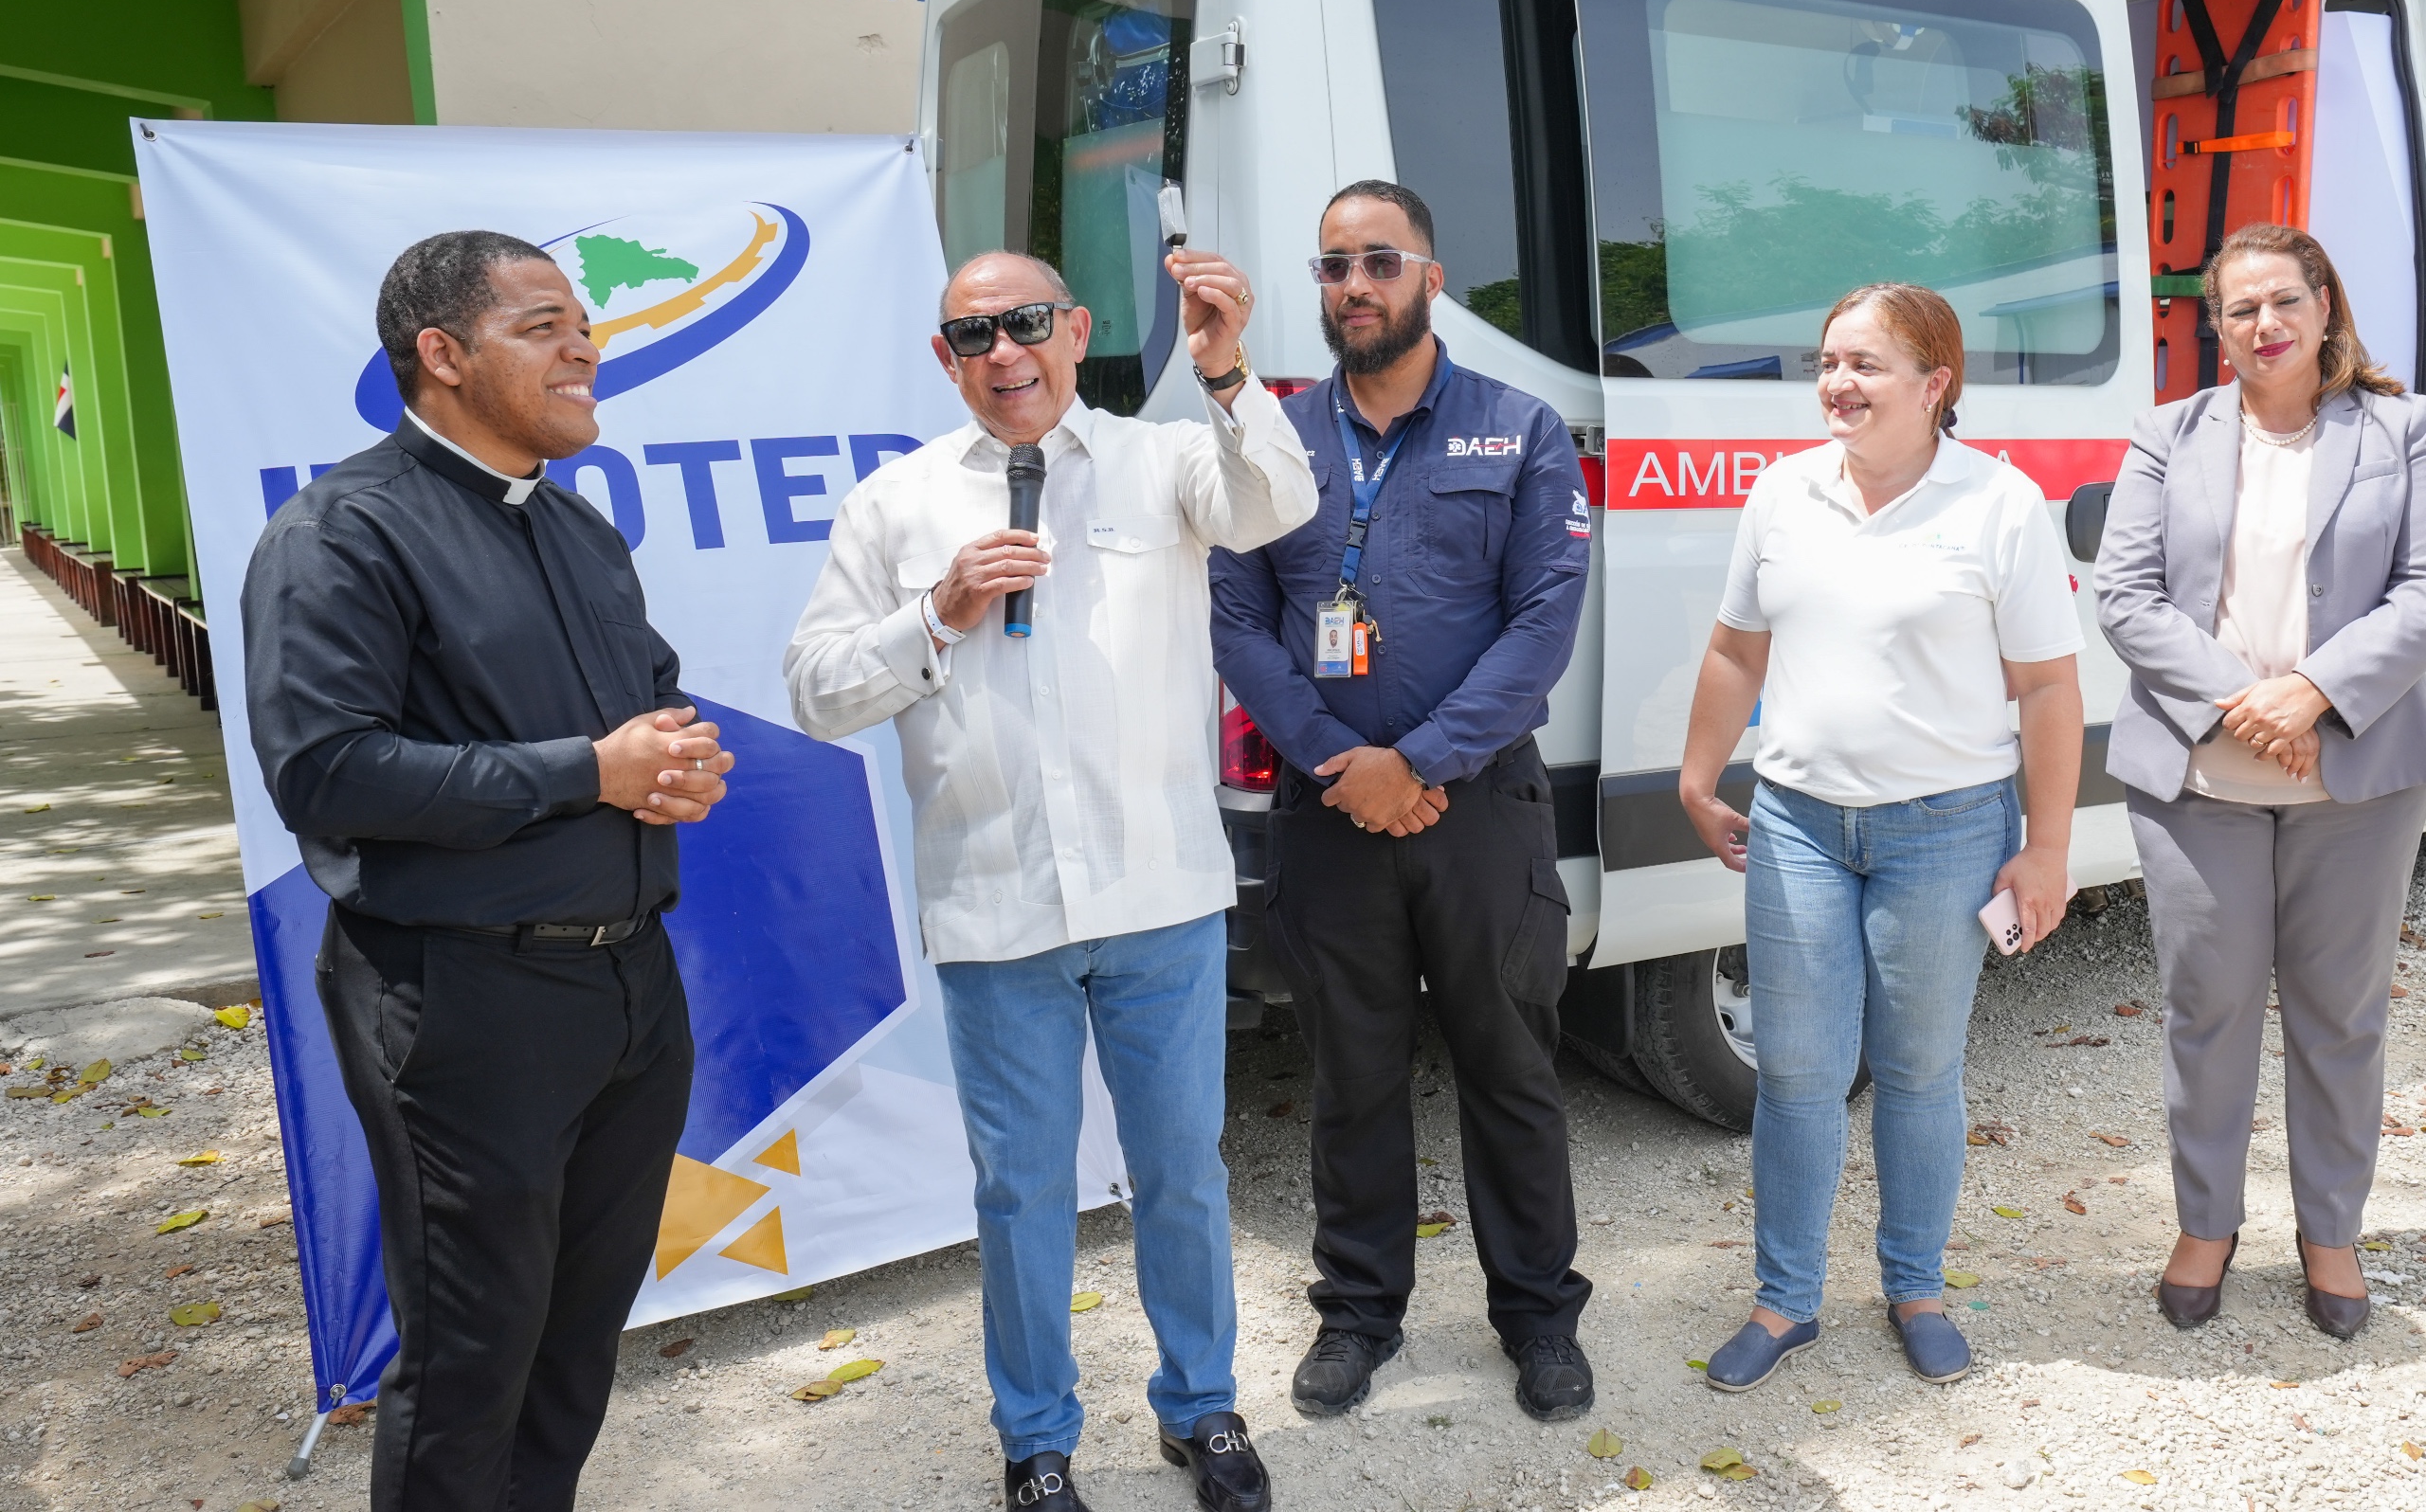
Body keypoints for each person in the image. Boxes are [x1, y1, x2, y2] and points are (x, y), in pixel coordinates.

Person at [785, 244, 1313, 1512]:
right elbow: (812, 689)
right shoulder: (896, 503)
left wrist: (1227, 364)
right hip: (996, 905)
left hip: (1159, 896)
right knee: (1021, 1188)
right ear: (945, 357)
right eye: (976, 335)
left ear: (1075, 330)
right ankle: (1035, 1439)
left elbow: (1276, 501)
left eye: (1027, 324)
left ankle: (1203, 1408)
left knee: (1182, 1171)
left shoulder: (1166, 455)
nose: (1005, 353)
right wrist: (938, 611)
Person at [242, 231, 732, 1511]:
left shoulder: (575, 528)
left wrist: (670, 759)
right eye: (544, 325)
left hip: (629, 997)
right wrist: (591, 771)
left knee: (573, 1352)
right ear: (442, 356)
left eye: (584, 321)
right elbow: (329, 771)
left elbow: (648, 696)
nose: (588, 345)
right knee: (471, 1365)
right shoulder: (341, 533)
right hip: (464, 1005)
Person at [1208, 180, 1597, 1423]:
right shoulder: (1273, 439)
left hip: (1477, 809)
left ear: (1431, 275)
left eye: (1379, 261)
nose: (1354, 286)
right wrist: (1341, 760)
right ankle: (1359, 1311)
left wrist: (1418, 761)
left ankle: (1538, 1312)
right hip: (1329, 811)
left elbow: (1544, 624)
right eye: (1333, 267)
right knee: (1352, 1072)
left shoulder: (1520, 429)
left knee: (1510, 1064)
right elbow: (1239, 620)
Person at [1678, 283, 2083, 1392]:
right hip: (1800, 822)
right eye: (1827, 362)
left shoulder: (1998, 502)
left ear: (1934, 382)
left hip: (1945, 830)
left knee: (1915, 1067)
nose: (1837, 383)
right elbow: (1734, 648)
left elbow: (2048, 689)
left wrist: (2045, 846)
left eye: (1864, 364)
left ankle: (1915, 1286)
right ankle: (1783, 1300)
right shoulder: (1782, 491)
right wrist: (1695, 772)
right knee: (1799, 1074)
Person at [2097, 223, 2426, 1341]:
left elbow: (2423, 589)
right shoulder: (2167, 434)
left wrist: (2315, 693)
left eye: (2283, 300)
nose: (2264, 325)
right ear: (2215, 328)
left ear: (2324, 305)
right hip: (2200, 776)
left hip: (2357, 777)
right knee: (2210, 1008)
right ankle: (2206, 1223)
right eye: (2239, 309)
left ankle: (2328, 1230)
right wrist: (2253, 701)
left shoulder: (2400, 431)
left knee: (2339, 1017)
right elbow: (2127, 597)